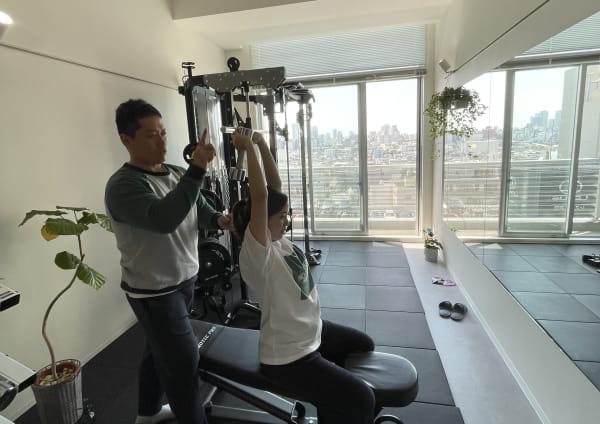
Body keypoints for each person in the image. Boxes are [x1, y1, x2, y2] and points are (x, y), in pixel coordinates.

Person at [230, 128, 376, 423]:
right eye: (281, 217)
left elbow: (274, 187)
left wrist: (261, 142)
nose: (287, 221)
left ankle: (331, 403)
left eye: (287, 214)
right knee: (362, 398)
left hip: (312, 331)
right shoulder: (258, 253)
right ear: (261, 221)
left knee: (363, 345)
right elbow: (261, 195)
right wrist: (247, 147)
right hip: (287, 357)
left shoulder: (279, 241)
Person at [105, 99, 232, 424]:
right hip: (155, 292)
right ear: (126, 140)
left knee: (157, 351)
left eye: (163, 133)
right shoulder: (123, 186)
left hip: (184, 280)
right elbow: (163, 219)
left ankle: (147, 413)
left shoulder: (175, 172)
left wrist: (219, 220)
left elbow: (198, 207)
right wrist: (197, 169)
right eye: (151, 136)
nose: (162, 142)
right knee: (182, 364)